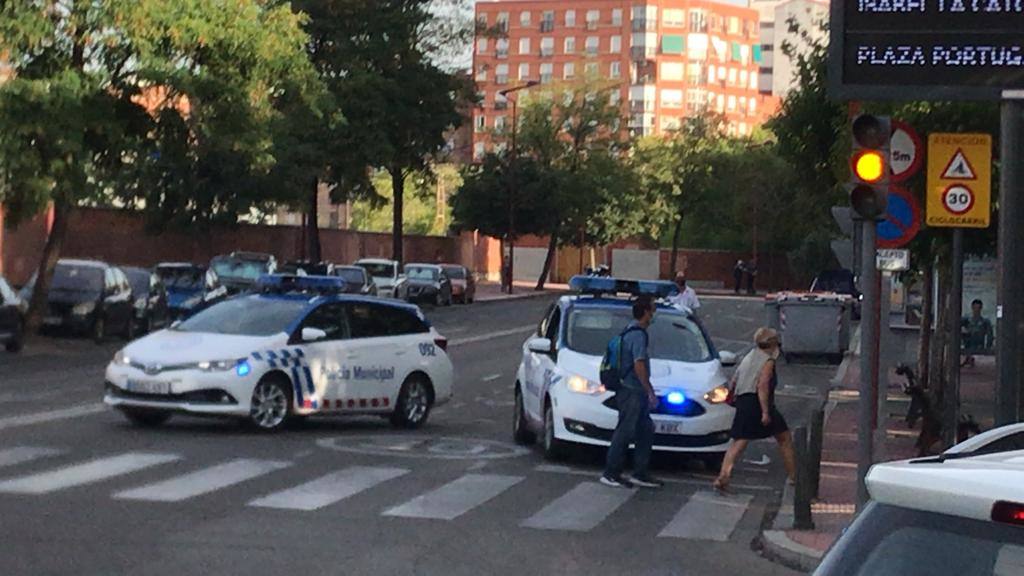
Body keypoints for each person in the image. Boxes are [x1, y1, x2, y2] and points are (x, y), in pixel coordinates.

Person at [714, 327, 796, 493]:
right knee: (784, 437)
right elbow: (763, 385)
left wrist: (732, 395)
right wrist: (765, 411)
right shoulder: (768, 361)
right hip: (756, 402)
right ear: (773, 344)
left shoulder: (749, 356)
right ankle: (795, 476)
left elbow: (735, 378)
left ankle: (724, 475)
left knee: (739, 440)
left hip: (743, 400)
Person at [601, 295, 664, 489]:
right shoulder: (637, 334)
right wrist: (650, 391)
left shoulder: (629, 330)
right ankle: (611, 473)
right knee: (625, 431)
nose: (654, 314)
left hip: (632, 390)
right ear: (645, 312)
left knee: (645, 429)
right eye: (653, 309)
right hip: (631, 390)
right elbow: (639, 364)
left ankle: (640, 472)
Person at [961, 299, 994, 368]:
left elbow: (990, 335)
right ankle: (968, 357)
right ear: (972, 308)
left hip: (979, 346)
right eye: (975, 308)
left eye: (978, 308)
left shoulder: (985, 322)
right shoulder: (967, 320)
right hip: (968, 345)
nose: (976, 310)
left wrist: (988, 348)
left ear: (981, 309)